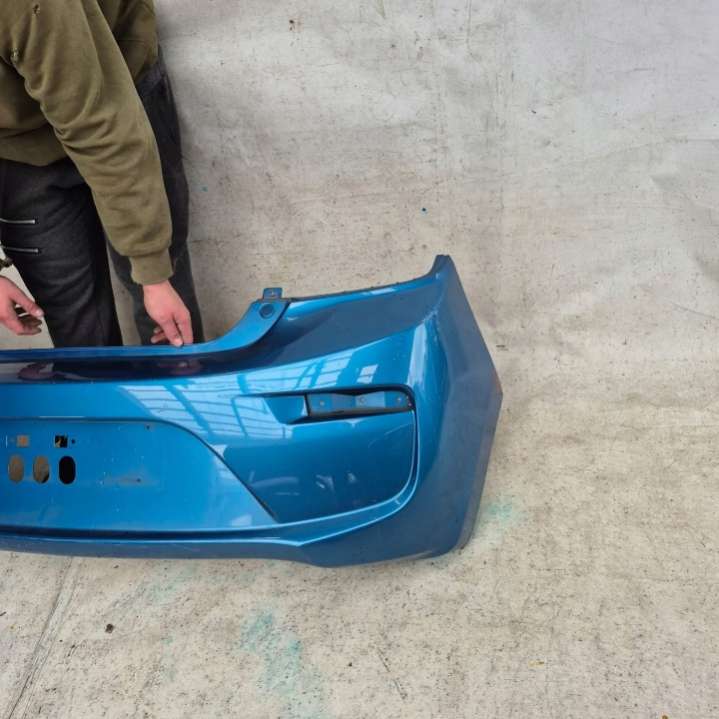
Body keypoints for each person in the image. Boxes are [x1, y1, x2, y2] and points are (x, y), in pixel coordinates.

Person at [0, 0, 204, 348]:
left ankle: (176, 375)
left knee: (163, 305)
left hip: (114, 88)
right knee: (75, 323)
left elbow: (100, 126)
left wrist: (152, 271)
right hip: (13, 148)